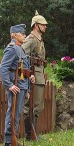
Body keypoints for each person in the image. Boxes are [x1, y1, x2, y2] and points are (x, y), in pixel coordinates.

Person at [0, 24, 35, 146]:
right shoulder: (12, 48)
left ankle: (12, 138)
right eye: (22, 33)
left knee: (18, 112)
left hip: (22, 85)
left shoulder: (20, 49)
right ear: (14, 35)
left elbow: (22, 70)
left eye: (24, 33)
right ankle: (9, 141)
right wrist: (9, 85)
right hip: (16, 86)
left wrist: (28, 87)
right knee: (13, 112)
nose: (25, 35)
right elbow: (3, 68)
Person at [22, 11, 48, 139]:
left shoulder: (39, 40)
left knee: (37, 106)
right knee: (30, 106)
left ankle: (33, 132)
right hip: (33, 76)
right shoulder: (31, 39)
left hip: (39, 75)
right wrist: (29, 73)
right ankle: (29, 134)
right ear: (36, 25)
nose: (45, 27)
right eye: (43, 25)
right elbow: (23, 55)